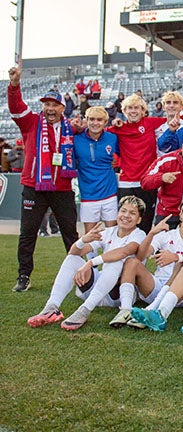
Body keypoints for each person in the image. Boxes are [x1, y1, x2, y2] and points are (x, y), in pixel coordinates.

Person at [8, 66, 81, 292]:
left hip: (62, 188)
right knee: (28, 233)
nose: (50, 108)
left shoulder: (71, 128)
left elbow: (93, 130)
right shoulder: (31, 122)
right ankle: (23, 276)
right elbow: (16, 107)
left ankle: (81, 276)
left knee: (70, 234)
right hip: (34, 187)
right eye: (46, 104)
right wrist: (14, 85)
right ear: (43, 107)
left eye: (54, 105)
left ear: (62, 108)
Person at [27, 196, 146, 330]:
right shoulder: (108, 232)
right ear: (118, 213)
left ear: (139, 219)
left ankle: (85, 310)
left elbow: (123, 252)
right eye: (123, 211)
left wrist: (90, 263)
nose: (126, 216)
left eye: (132, 213)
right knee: (73, 259)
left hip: (117, 295)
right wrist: (83, 240)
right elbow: (74, 252)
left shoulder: (139, 235)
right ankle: (51, 308)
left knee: (115, 262)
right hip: (98, 288)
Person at [120, 199, 183, 332]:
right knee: (132, 262)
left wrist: (176, 257)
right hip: (157, 286)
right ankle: (125, 311)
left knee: (182, 264)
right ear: (181, 215)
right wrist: (152, 233)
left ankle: (152, 309)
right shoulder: (166, 235)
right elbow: (141, 256)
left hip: (182, 294)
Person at [108, 93, 167, 233]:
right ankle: (123, 253)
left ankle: (142, 254)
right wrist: (112, 123)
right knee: (125, 222)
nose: (133, 111)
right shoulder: (118, 128)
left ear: (143, 111)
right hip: (127, 182)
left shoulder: (151, 123)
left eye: (137, 108)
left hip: (147, 182)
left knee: (145, 223)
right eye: (129, 108)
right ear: (124, 111)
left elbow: (176, 120)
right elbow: (98, 132)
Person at [74, 106, 119, 234]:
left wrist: (116, 160)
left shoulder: (112, 138)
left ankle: (109, 255)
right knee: (90, 236)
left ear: (105, 122)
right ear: (86, 121)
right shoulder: (76, 139)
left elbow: (122, 154)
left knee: (111, 234)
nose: (95, 123)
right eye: (92, 119)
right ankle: (91, 255)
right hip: (88, 194)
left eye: (99, 120)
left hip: (109, 193)